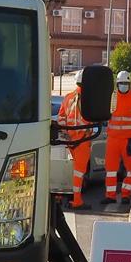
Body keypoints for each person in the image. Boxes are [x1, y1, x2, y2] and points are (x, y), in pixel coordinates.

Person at [102, 70, 131, 206]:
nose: (123, 86)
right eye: (121, 83)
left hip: (128, 140)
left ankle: (126, 195)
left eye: (125, 83)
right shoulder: (111, 99)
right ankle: (110, 195)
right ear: (117, 84)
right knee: (110, 169)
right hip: (113, 140)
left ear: (130, 84)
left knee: (130, 169)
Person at [57, 71, 93, 211]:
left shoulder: (68, 97)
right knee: (79, 172)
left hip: (69, 141)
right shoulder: (90, 98)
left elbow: (61, 118)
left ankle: (61, 196)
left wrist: (67, 133)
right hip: (83, 140)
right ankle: (77, 200)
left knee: (68, 169)